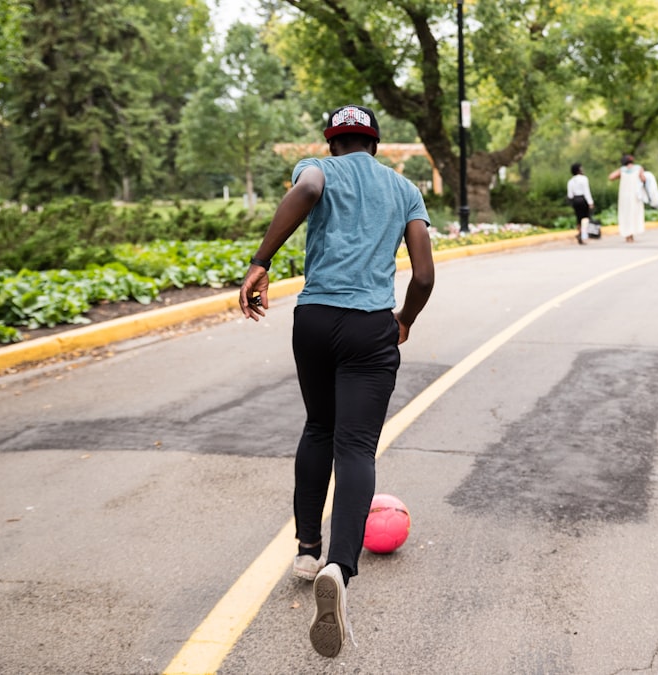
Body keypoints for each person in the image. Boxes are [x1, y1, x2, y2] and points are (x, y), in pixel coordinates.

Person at [238, 104, 435, 659]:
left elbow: (309, 188)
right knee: (356, 445)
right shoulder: (404, 190)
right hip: (370, 325)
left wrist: (261, 262)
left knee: (319, 427)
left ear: (331, 142)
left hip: (315, 319)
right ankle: (339, 569)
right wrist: (404, 320)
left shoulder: (317, 169)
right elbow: (423, 274)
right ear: (375, 143)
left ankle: (306, 550)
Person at [608, 154, 648, 243]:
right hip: (635, 195)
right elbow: (643, 179)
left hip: (624, 196)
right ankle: (632, 234)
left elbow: (611, 177)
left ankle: (627, 235)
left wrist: (621, 175)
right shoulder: (638, 168)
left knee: (625, 214)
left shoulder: (622, 170)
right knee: (634, 213)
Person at [567, 162, 595, 245]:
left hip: (575, 200)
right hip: (583, 199)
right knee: (585, 218)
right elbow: (587, 191)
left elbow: (570, 195)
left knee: (578, 218)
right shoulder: (584, 179)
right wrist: (590, 202)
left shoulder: (570, 181)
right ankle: (583, 235)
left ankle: (579, 233)